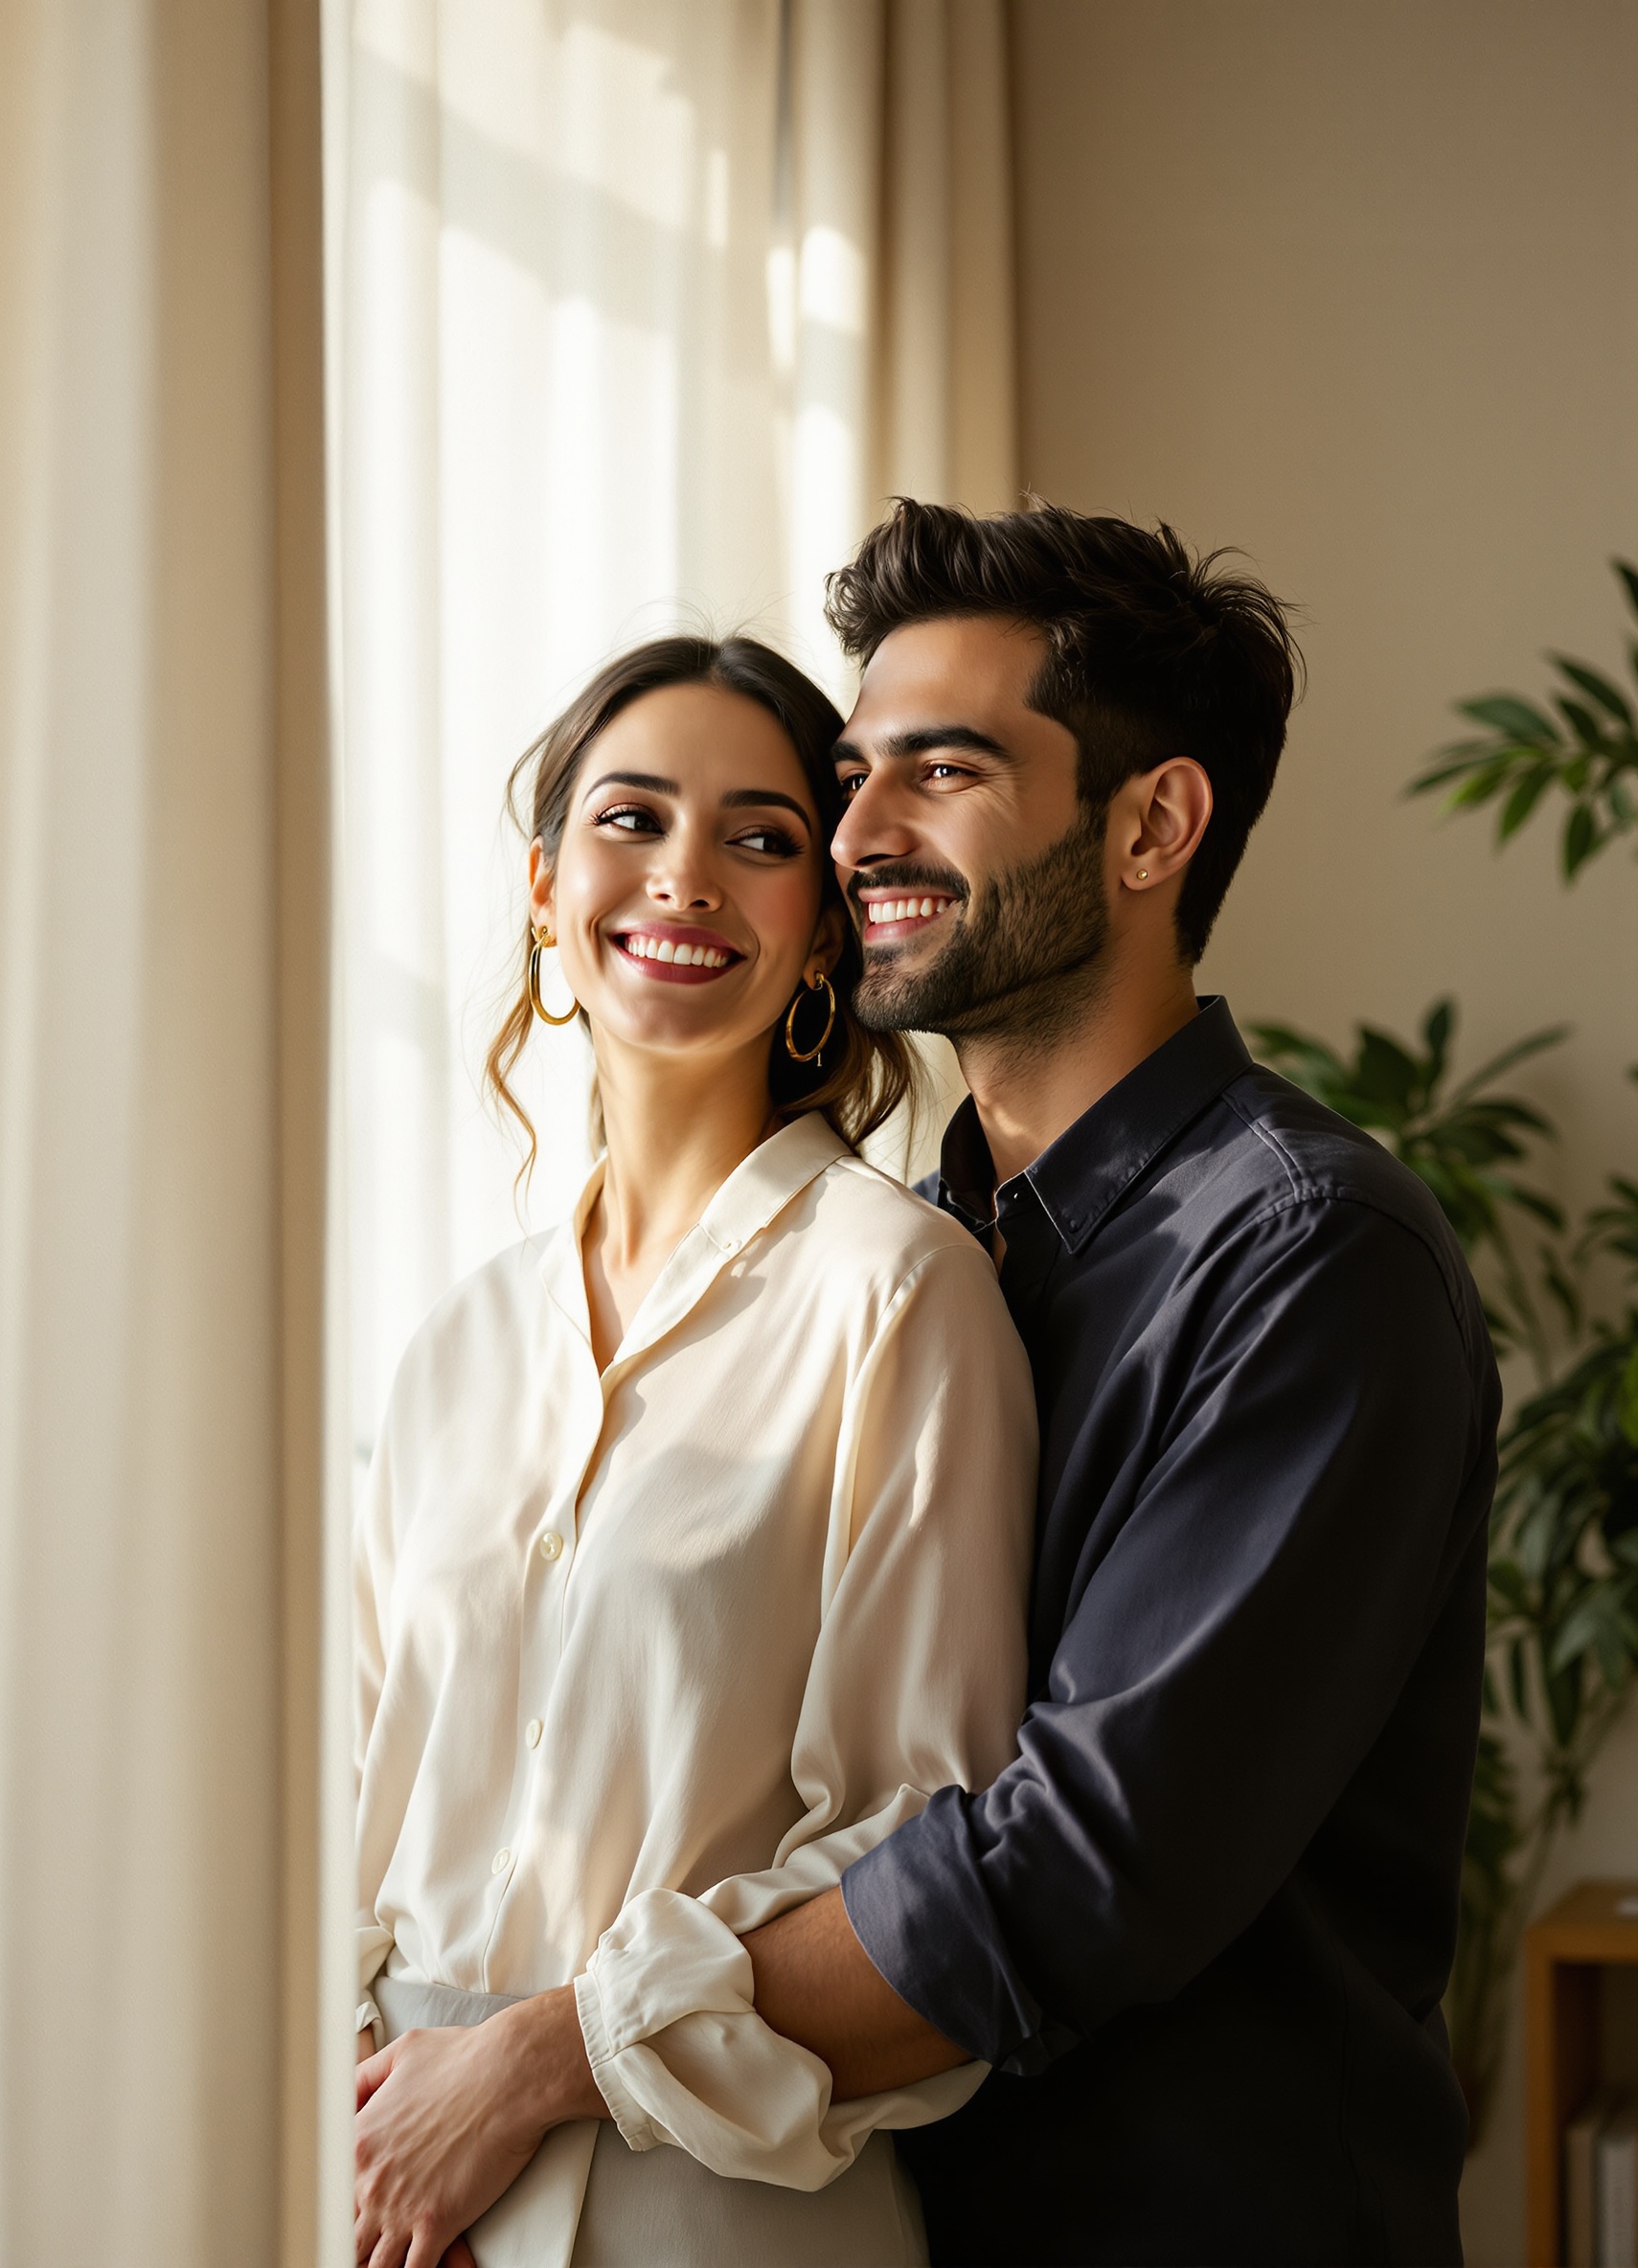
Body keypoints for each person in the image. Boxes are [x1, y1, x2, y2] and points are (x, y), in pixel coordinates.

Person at [364, 502, 1499, 2268]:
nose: (857, 830)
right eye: (853, 774)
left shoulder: (1310, 1260)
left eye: (942, 771)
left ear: (1153, 823)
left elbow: (1083, 1861)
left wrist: (548, 2052)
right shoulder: (936, 1233)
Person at [349, 634, 1037, 2268]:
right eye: (632, 818)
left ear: (820, 934)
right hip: (387, 2193)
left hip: (710, 2208)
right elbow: (354, 1787)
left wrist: (541, 2064)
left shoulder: (902, 1296)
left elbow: (918, 1844)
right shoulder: (456, 1349)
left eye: (759, 836)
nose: (686, 878)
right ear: (544, 889)